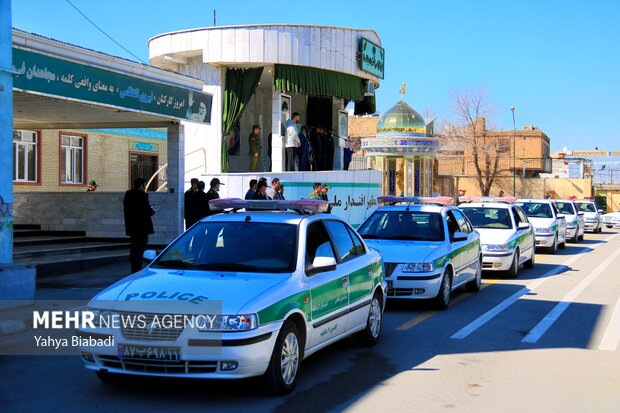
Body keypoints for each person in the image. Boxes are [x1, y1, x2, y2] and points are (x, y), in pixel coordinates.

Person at [123, 178, 155, 273]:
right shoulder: (142, 196)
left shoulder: (128, 194)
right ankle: (138, 266)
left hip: (132, 226)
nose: (145, 187)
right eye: (144, 185)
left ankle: (134, 266)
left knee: (134, 247)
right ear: (141, 185)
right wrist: (152, 211)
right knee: (141, 247)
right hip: (142, 227)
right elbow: (147, 210)